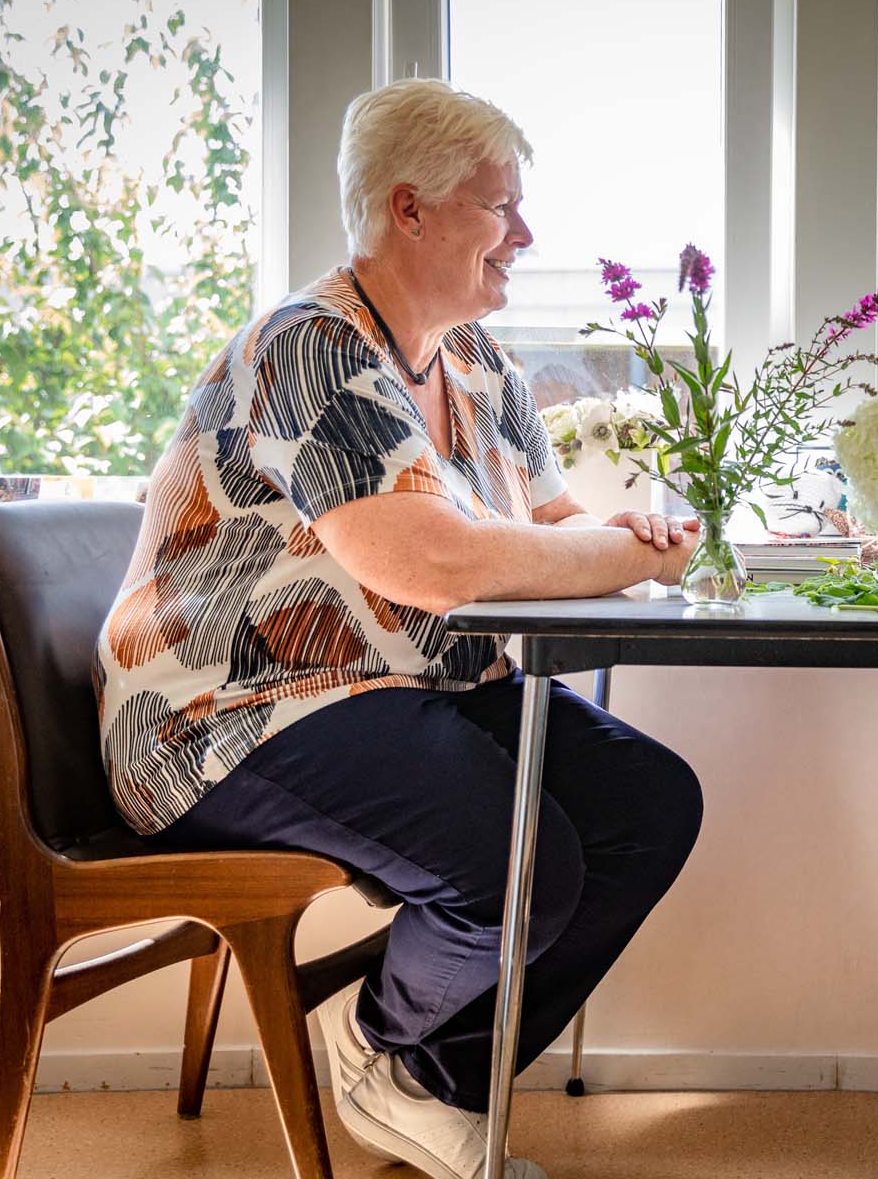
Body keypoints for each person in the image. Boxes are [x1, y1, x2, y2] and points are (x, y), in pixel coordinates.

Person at [97, 79, 704, 1179]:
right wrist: (616, 556)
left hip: (414, 692)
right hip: (230, 710)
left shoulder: (480, 367)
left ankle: (409, 1063)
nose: (526, 233)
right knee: (518, 866)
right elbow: (429, 560)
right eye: (499, 206)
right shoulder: (310, 348)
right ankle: (393, 1043)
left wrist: (639, 531)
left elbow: (553, 531)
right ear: (408, 208)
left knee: (650, 807)